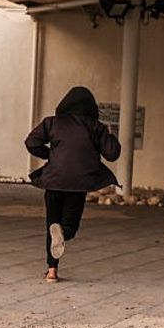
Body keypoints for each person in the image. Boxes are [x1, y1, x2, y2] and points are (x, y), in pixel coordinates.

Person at [24, 86, 121, 283]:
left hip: (54, 180)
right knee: (68, 227)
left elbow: (31, 142)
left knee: (51, 223)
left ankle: (52, 271)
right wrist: (110, 134)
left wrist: (50, 155)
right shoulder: (95, 126)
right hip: (79, 183)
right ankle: (64, 233)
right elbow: (112, 154)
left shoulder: (52, 122)